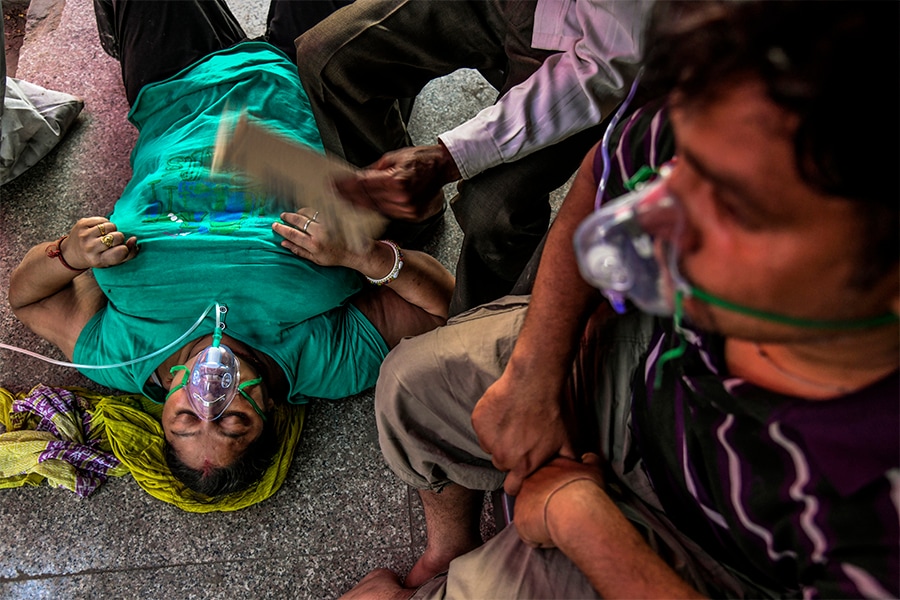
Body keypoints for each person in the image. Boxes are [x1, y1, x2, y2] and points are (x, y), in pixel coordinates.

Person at [341, 1, 900, 597]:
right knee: (410, 386)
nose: (639, 228)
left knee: (494, 588)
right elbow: (604, 171)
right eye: (683, 165)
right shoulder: (757, 82)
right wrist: (535, 370)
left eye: (733, 211)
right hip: (649, 375)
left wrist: (583, 521)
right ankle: (449, 551)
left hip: (727, 561)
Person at [7, 0, 454, 499]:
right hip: (316, 89)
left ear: (164, 408)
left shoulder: (122, 355)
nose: (210, 398)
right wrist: (362, 256)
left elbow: (28, 299)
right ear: (269, 416)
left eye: (185, 419)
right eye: (234, 422)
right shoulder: (324, 365)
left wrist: (69, 253)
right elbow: (445, 310)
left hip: (178, 94)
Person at [294, 0, 651, 315]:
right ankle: (398, 221)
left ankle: (475, 326)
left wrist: (449, 157)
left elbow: (604, 64)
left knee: (492, 209)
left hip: (592, 51)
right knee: (329, 60)